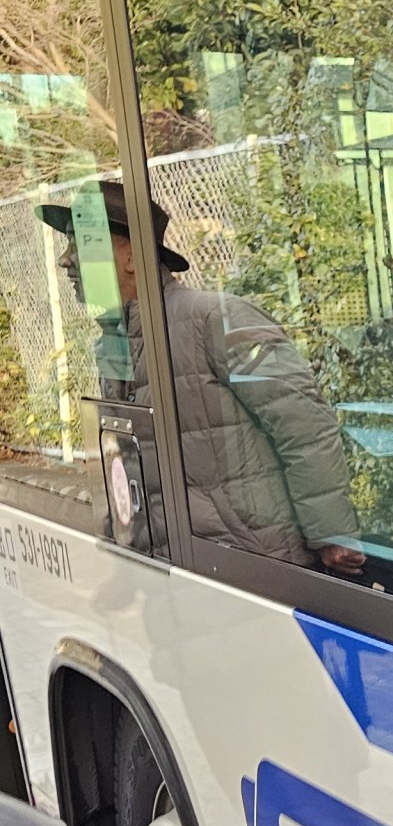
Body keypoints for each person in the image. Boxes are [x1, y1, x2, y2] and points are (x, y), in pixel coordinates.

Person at [45, 181, 364, 577]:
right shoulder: (114, 344)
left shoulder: (213, 319)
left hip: (252, 571)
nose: (65, 260)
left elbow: (304, 425)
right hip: (179, 571)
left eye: (81, 243)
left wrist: (331, 534)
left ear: (133, 256)